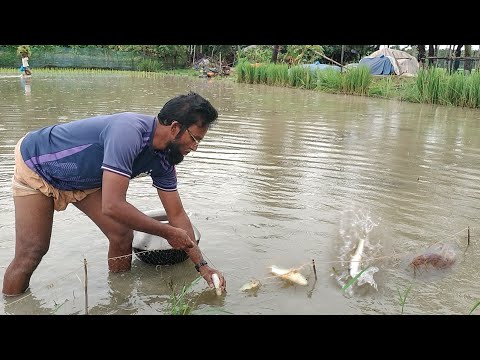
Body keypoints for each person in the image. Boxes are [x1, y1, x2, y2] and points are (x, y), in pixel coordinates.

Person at [2, 91, 226, 296]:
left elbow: (177, 215)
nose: (195, 147)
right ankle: (12, 305)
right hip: (38, 166)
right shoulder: (128, 132)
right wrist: (167, 232)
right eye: (195, 139)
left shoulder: (166, 160)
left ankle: (120, 299)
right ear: (175, 128)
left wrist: (203, 267)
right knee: (33, 250)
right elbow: (112, 205)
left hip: (84, 179)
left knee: (121, 234)